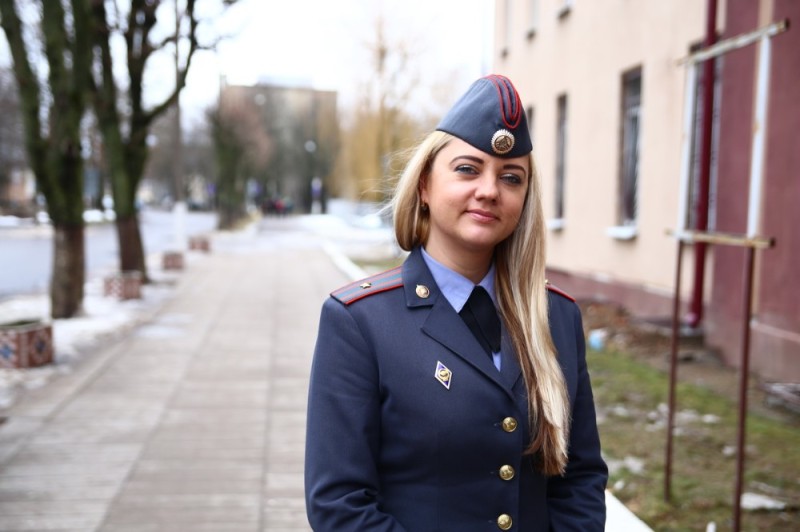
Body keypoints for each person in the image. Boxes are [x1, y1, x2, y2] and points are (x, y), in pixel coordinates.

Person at [305, 74, 607, 531]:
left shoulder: (557, 317)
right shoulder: (361, 323)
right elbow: (339, 504)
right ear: (425, 185)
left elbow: (579, 482)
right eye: (468, 169)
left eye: (511, 178)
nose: (489, 190)